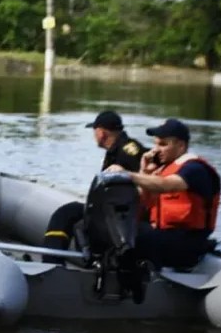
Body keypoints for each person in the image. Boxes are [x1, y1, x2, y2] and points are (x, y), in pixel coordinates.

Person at [105, 118, 221, 269]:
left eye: (163, 144)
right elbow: (140, 203)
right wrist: (145, 171)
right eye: (155, 144)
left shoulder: (194, 169)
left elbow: (168, 185)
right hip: (164, 235)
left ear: (180, 145)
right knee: (116, 227)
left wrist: (128, 175)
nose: (156, 149)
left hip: (186, 243)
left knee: (130, 236)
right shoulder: (161, 170)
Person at [43, 110, 148, 258]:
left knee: (66, 214)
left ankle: (51, 261)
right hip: (111, 210)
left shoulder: (127, 151)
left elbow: (142, 179)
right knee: (70, 212)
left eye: (94, 132)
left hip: (119, 216)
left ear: (101, 133)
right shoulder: (119, 149)